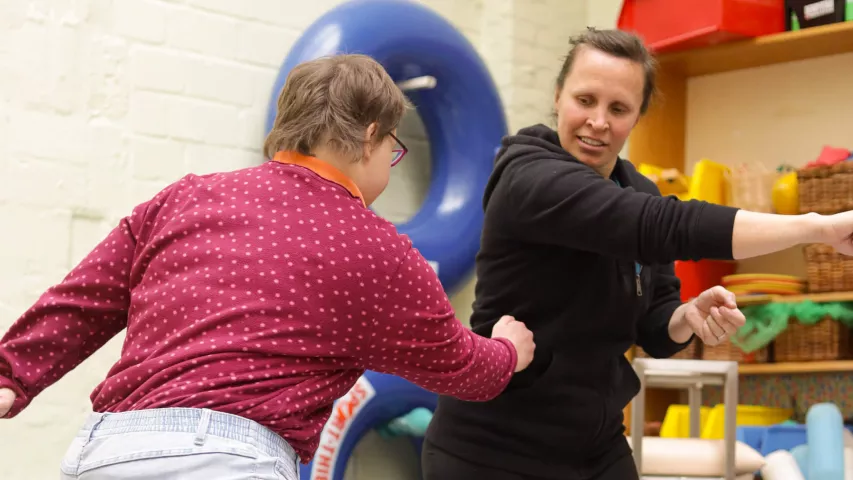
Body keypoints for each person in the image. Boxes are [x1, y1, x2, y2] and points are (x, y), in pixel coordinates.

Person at [0, 54, 536, 479]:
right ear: (372, 136)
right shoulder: (380, 251)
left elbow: (83, 299)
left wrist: (10, 374)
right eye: (393, 151)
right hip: (229, 460)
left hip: (110, 449)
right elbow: (463, 369)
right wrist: (508, 349)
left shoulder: (185, 199)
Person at [421, 27, 853, 480]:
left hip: (594, 445)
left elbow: (655, 328)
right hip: (492, 450)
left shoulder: (637, 190)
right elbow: (663, 224)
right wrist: (818, 227)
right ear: (558, 96)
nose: (598, 121)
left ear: (637, 115)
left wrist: (687, 315)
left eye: (619, 108)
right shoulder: (528, 177)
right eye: (585, 100)